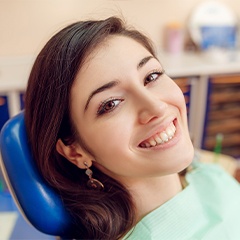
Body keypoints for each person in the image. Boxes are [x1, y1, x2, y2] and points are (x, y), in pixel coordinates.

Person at [24, 16, 240, 240]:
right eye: (111, 104)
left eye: (151, 76)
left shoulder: (205, 174)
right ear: (75, 151)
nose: (156, 106)